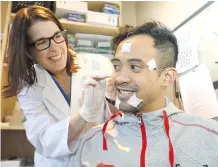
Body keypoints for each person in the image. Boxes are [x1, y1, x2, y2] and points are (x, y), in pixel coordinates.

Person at [69, 21, 218, 167]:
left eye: (134, 67)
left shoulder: (210, 137)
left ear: (167, 77)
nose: (120, 78)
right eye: (116, 66)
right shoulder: (91, 142)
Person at [2, 5, 113, 167]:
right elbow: (45, 140)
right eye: (42, 42)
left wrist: (113, 99)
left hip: (99, 159)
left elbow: (119, 119)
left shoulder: (99, 64)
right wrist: (84, 114)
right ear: (28, 51)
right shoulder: (28, 87)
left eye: (57, 36)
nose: (55, 47)